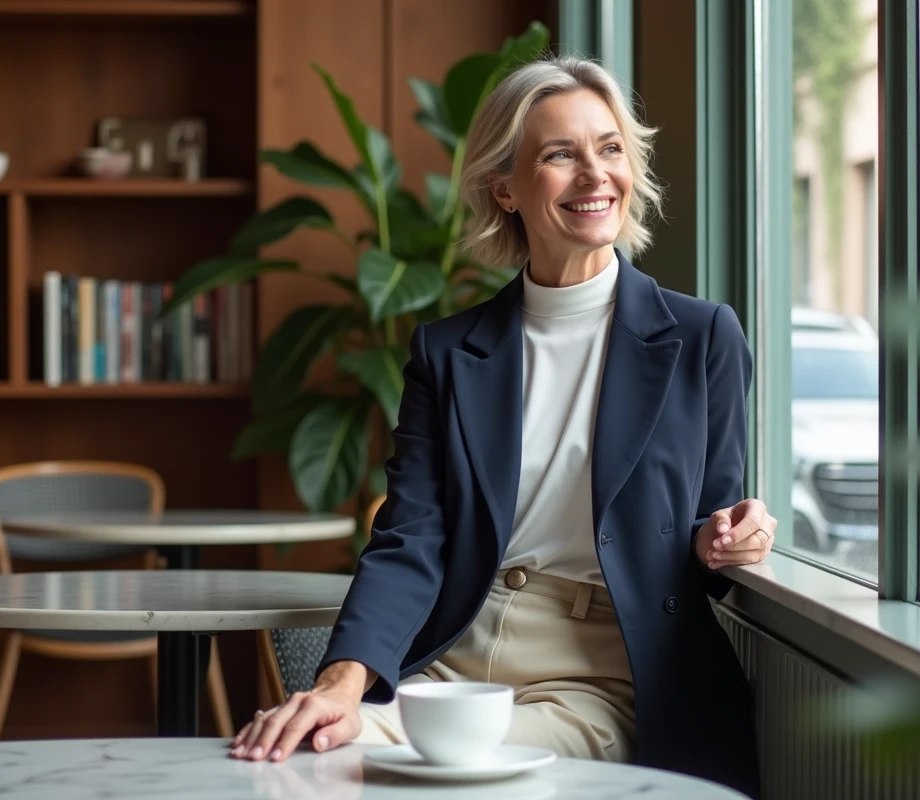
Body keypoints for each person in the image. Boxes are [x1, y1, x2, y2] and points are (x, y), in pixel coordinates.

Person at [231, 55, 775, 798]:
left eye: (609, 147)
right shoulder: (449, 352)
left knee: (463, 782)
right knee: (305, 761)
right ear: (506, 190)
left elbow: (713, 520)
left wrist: (734, 536)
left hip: (597, 671)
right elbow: (409, 535)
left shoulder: (703, 336)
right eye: (560, 155)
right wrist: (341, 687)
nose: (595, 175)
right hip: (454, 655)